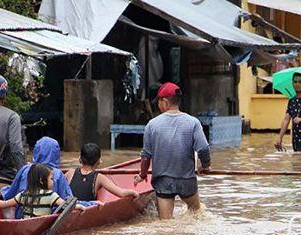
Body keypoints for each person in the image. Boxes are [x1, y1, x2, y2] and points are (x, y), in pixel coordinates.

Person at [134, 82, 211, 219]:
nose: (158, 105)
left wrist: (143, 175)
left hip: (163, 182)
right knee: (196, 214)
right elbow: (203, 148)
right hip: (186, 180)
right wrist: (205, 166)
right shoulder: (193, 122)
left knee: (166, 224)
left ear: (165, 102)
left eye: (158, 101)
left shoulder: (152, 125)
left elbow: (146, 156)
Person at [0, 136, 75, 218]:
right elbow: (68, 200)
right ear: (56, 153)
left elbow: (9, 194)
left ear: (36, 151)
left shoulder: (25, 169)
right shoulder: (57, 174)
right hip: (47, 218)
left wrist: (4, 190)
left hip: (22, 217)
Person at [0, 164, 83, 218]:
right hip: (39, 227)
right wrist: (80, 206)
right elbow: (66, 205)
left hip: (24, 226)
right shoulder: (51, 195)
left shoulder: (23, 194)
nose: (53, 182)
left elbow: (3, 204)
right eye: (51, 179)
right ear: (41, 181)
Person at [66, 143, 139, 203]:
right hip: (85, 209)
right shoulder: (99, 177)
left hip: (70, 208)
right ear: (99, 161)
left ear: (80, 159)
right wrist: (134, 192)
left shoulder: (70, 173)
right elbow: (121, 193)